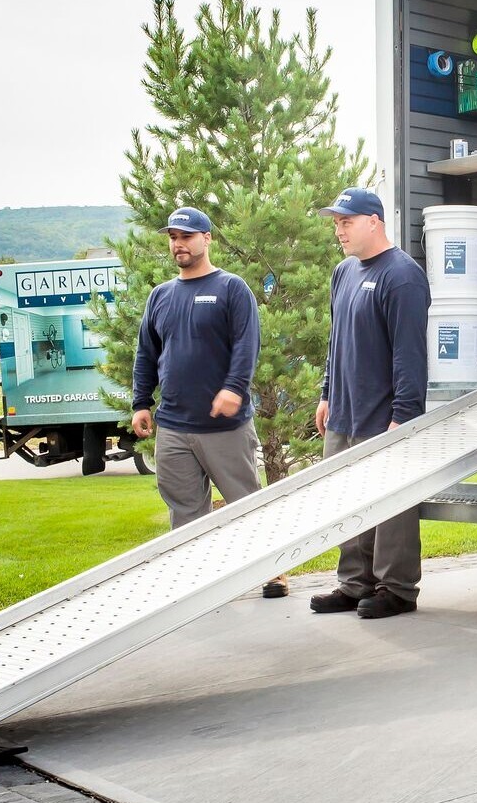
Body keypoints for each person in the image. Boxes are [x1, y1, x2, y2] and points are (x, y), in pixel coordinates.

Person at [129, 207, 282, 596]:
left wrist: (234, 387)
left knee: (246, 503)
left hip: (225, 428)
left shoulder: (231, 288)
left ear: (207, 239)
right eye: (173, 238)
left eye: (186, 237)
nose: (178, 244)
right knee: (185, 510)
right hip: (175, 428)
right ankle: (194, 582)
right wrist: (141, 402)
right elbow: (146, 353)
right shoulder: (160, 296)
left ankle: (273, 570)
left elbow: (247, 345)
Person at [307, 187, 432, 620]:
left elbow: (410, 353)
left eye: (347, 222)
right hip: (343, 410)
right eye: (337, 222)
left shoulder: (403, 275)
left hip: (383, 415)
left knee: (391, 504)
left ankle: (396, 588)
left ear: (373, 222)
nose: (339, 230)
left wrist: (405, 417)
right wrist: (326, 394)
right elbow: (335, 342)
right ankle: (354, 583)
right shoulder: (343, 272)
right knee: (347, 500)